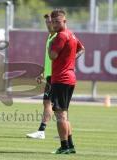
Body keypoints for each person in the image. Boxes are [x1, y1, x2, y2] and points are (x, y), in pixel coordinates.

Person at [48, 9, 85, 154]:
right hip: (69, 78)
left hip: (61, 79)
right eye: (53, 22)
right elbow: (82, 49)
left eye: (58, 22)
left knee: (60, 115)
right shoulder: (71, 34)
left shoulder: (60, 36)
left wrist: (51, 43)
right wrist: (70, 61)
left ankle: (64, 147)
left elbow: (52, 56)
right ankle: (70, 146)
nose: (55, 25)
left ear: (65, 21)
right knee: (64, 113)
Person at [26, 14, 57, 139]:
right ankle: (63, 132)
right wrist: (43, 73)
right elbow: (50, 61)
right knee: (52, 104)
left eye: (49, 22)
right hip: (50, 76)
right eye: (46, 22)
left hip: (56, 76)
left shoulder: (58, 37)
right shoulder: (50, 37)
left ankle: (42, 131)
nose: (48, 24)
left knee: (51, 103)